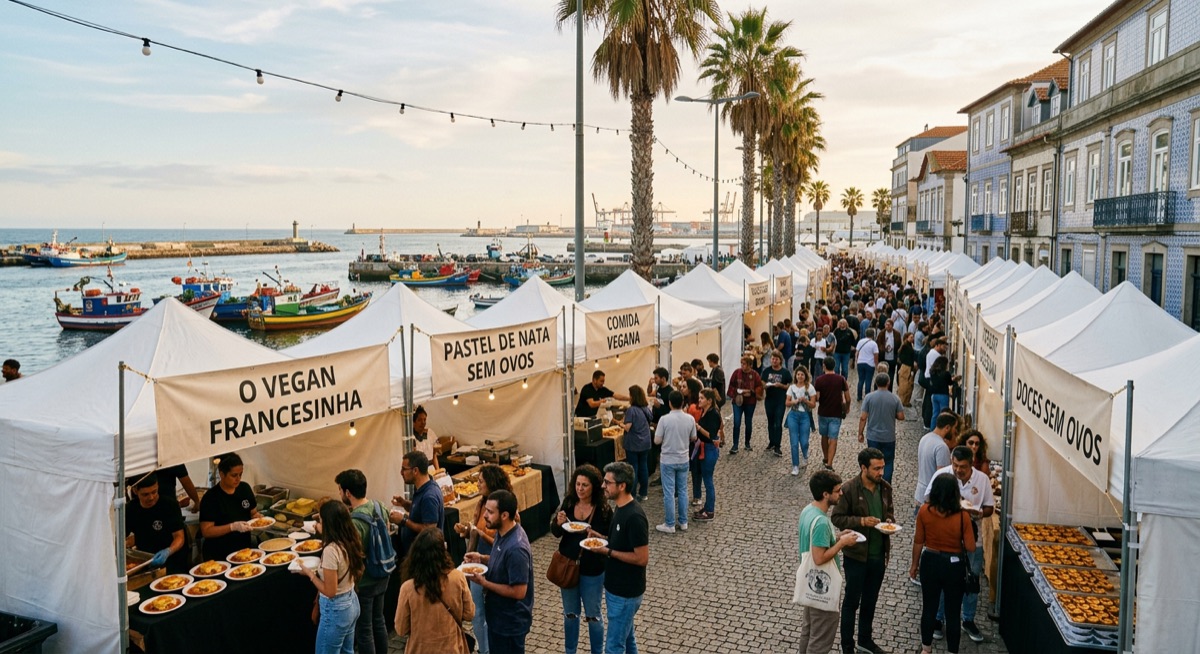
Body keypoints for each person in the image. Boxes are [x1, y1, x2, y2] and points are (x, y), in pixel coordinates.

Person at [925, 446, 996, 644]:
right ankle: (939, 620)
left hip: (973, 539)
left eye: (962, 467)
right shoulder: (942, 474)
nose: (957, 470)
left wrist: (979, 513)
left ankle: (968, 619)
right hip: (946, 539)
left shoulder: (982, 480)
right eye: (955, 465)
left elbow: (990, 507)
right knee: (942, 581)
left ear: (971, 464)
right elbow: (927, 498)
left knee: (971, 582)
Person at [831, 449, 896, 654]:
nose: (881, 472)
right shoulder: (849, 489)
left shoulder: (885, 488)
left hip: (878, 556)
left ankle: (865, 640)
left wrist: (889, 522)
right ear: (863, 468)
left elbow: (890, 513)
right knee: (852, 602)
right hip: (857, 556)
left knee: (871, 600)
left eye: (882, 468)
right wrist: (861, 521)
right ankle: (847, 647)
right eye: (876, 468)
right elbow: (837, 518)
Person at [551, 465, 612, 654]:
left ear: (594, 486)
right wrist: (558, 523)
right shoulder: (569, 503)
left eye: (585, 485)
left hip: (593, 569)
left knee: (593, 616)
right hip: (568, 566)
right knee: (570, 615)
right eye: (577, 484)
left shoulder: (603, 509)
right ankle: (570, 651)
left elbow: (611, 540)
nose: (580, 489)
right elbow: (556, 533)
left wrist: (599, 537)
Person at [912, 474, 976, 654]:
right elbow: (971, 547)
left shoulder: (925, 511)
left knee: (929, 608)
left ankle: (926, 649)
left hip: (930, 561)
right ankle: (952, 651)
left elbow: (918, 541)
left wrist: (914, 565)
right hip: (954, 566)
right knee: (953, 612)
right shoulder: (963, 516)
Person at [452, 464, 513, 654]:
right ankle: (484, 649)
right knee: (477, 612)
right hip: (477, 564)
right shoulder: (481, 503)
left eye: (481, 481)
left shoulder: (506, 508)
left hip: (494, 562)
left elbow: (502, 539)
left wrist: (479, 532)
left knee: (494, 609)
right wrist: (467, 531)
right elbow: (476, 530)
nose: (477, 485)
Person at [797, 470, 860, 654]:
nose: (841, 493)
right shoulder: (822, 522)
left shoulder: (809, 510)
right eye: (837, 490)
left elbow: (817, 542)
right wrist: (842, 543)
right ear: (826, 494)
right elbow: (819, 558)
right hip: (821, 587)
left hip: (810, 584)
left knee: (808, 632)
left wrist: (838, 536)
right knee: (821, 639)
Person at [464, 490, 534, 654]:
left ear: (504, 515)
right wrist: (481, 558)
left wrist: (484, 583)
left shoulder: (517, 548)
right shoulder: (502, 533)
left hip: (510, 624)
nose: (485, 516)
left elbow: (519, 591)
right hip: (498, 619)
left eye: (490, 512)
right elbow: (501, 560)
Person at [334, 469, 391, 654]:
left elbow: (352, 555)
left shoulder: (354, 522)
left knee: (364, 630)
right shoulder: (379, 506)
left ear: (348, 493)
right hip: (384, 572)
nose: (339, 494)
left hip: (366, 580)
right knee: (379, 620)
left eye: (340, 490)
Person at [595, 462, 649, 654]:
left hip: (625, 593)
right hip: (616, 589)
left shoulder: (634, 517)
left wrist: (608, 552)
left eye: (608, 482)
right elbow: (620, 542)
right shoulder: (620, 508)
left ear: (622, 485)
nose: (603, 486)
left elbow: (642, 558)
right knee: (628, 639)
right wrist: (601, 538)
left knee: (613, 646)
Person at [298, 501, 365, 654]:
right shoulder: (350, 539)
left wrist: (309, 573)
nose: (319, 523)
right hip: (351, 602)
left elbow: (330, 591)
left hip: (336, 609)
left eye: (321, 520)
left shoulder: (330, 550)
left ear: (328, 524)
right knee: (347, 651)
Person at [395, 529, 474, 654]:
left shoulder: (408, 588)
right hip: (452, 648)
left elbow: (401, 629)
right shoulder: (458, 578)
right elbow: (469, 614)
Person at [198, 452, 261, 561]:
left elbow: (253, 513)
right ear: (222, 474)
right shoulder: (211, 498)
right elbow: (206, 531)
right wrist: (232, 527)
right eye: (234, 475)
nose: (238, 479)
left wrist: (258, 519)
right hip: (219, 554)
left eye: (240, 474)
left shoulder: (245, 489)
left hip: (243, 550)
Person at [125, 473, 188, 573]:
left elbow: (179, 537)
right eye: (145, 494)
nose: (151, 497)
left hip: (172, 561)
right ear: (135, 491)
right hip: (145, 562)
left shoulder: (169, 505)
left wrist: (168, 551)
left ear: (158, 486)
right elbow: (123, 538)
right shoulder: (130, 509)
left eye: (154, 492)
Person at [391, 451, 446, 563]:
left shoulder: (429, 496)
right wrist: (404, 503)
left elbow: (429, 529)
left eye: (404, 469)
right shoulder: (423, 487)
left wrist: (404, 520)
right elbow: (421, 510)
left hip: (424, 558)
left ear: (415, 470)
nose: (401, 473)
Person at [654, 390, 694, 533]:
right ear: (682, 402)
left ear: (670, 403)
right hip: (683, 458)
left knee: (669, 492)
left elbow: (657, 440)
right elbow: (693, 437)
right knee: (683, 490)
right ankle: (683, 522)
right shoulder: (690, 419)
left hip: (668, 460)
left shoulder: (664, 419)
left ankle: (670, 524)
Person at [857, 373, 905, 483]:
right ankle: (885, 484)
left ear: (876, 383)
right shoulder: (894, 398)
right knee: (888, 462)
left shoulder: (869, 397)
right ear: (888, 383)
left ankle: (873, 481)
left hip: (873, 437)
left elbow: (863, 417)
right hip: (889, 437)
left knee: (873, 461)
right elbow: (901, 416)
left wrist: (860, 433)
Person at [913, 413, 960, 524]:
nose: (955, 432)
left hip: (919, 494)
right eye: (954, 428)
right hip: (932, 500)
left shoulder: (925, 438)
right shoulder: (941, 447)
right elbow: (942, 476)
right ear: (947, 427)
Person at [813, 357, 850, 471]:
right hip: (836, 413)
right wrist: (847, 408)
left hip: (823, 412)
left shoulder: (819, 380)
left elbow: (817, 397)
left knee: (824, 436)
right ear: (834, 366)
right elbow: (848, 398)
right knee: (833, 438)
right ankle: (829, 463)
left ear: (824, 366)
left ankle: (825, 457)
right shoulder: (841, 379)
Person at [693, 389, 722, 521]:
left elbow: (711, 435)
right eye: (699, 398)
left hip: (709, 449)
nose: (699, 400)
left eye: (702, 398)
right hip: (705, 448)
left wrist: (698, 427)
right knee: (706, 479)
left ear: (709, 401)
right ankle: (707, 506)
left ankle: (710, 511)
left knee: (708, 481)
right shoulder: (706, 411)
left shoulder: (713, 414)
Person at [622, 385, 654, 501]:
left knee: (633, 468)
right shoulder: (646, 408)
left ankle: (633, 495)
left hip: (633, 444)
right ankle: (644, 493)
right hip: (645, 442)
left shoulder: (631, 410)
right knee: (643, 467)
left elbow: (627, 428)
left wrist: (619, 423)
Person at [785, 366, 818, 476]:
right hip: (793, 415)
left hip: (805, 416)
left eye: (802, 374)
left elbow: (813, 405)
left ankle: (805, 454)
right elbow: (787, 403)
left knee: (804, 442)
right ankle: (795, 465)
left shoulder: (810, 388)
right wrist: (794, 401)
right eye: (798, 374)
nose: (800, 376)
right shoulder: (791, 387)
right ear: (795, 376)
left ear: (805, 376)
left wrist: (806, 400)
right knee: (794, 442)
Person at [726, 355, 762, 453]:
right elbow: (730, 387)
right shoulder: (736, 373)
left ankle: (747, 443)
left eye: (744, 364)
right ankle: (735, 445)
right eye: (741, 363)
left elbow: (759, 387)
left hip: (750, 402)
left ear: (750, 365)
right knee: (736, 422)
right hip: (737, 401)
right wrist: (737, 392)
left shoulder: (755, 375)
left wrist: (751, 392)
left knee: (748, 422)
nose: (742, 365)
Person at [760, 350, 792, 458]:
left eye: (776, 359)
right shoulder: (767, 371)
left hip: (780, 400)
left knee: (778, 423)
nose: (774, 361)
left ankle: (778, 446)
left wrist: (781, 386)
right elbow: (762, 382)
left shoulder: (785, 372)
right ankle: (771, 441)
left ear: (780, 360)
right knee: (770, 422)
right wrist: (766, 386)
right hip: (769, 400)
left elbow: (789, 385)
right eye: (772, 359)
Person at [927, 356, 958, 429]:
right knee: (944, 415)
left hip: (934, 395)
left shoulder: (932, 372)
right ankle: (942, 430)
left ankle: (932, 430)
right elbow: (949, 382)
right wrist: (954, 379)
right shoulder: (946, 373)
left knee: (935, 414)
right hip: (943, 395)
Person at [854, 328, 879, 403]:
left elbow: (857, 352)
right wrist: (876, 365)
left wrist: (857, 361)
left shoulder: (860, 341)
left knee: (861, 380)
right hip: (870, 364)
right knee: (868, 380)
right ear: (873, 335)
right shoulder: (874, 344)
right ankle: (867, 396)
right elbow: (876, 355)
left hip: (860, 362)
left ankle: (859, 396)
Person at [896, 332, 916, 407]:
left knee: (909, 384)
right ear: (907, 338)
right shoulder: (905, 346)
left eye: (912, 337)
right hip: (906, 367)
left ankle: (906, 400)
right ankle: (902, 400)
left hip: (909, 367)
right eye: (911, 337)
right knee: (904, 384)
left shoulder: (909, 345)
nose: (912, 338)